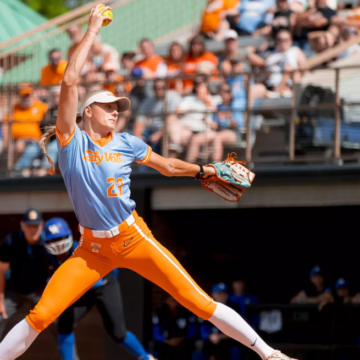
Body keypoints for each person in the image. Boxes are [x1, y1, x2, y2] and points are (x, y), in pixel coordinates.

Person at [0, 7, 295, 360]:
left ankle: (270, 354)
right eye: (107, 105)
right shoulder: (71, 140)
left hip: (132, 237)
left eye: (118, 107)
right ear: (87, 111)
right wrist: (92, 29)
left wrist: (201, 170)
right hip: (91, 249)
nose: (115, 111)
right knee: (42, 314)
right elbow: (69, 81)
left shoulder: (127, 142)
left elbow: (167, 166)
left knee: (198, 302)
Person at [43, 217, 154, 360]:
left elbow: (106, 274)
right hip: (80, 293)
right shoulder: (46, 259)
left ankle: (146, 358)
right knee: (64, 325)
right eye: (52, 241)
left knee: (118, 333)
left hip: (102, 285)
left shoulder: (82, 251)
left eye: (60, 239)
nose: (57, 245)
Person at [0, 209, 48, 338]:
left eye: (35, 226)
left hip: (40, 290)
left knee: (58, 320)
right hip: (14, 291)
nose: (32, 230)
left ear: (42, 225)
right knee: (0, 316)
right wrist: (0, 298)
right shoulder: (11, 241)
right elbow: (2, 270)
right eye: (29, 226)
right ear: (22, 225)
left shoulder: (48, 242)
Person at [168, 75, 219, 160]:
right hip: (187, 129)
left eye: (201, 84)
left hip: (204, 130)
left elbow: (217, 121)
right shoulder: (189, 99)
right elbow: (177, 111)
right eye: (196, 84)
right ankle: (168, 168)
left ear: (207, 85)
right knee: (170, 119)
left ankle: (189, 169)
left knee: (195, 139)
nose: (199, 87)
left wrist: (206, 102)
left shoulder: (214, 100)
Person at [2, 83, 48, 175]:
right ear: (19, 96)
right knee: (17, 147)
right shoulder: (14, 108)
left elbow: (48, 124)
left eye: (28, 95)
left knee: (28, 148)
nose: (27, 98)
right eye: (24, 95)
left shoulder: (41, 107)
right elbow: (6, 125)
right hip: (17, 141)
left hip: (36, 141)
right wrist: (7, 144)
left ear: (33, 94)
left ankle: (17, 171)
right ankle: (16, 170)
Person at [133, 79, 181, 153]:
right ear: (153, 88)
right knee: (130, 139)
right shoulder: (148, 101)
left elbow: (171, 118)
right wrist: (137, 135)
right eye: (156, 88)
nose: (159, 90)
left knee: (154, 147)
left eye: (162, 87)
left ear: (167, 87)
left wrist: (158, 134)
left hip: (166, 130)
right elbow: (140, 119)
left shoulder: (173, 97)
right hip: (150, 131)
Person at [198, 283, 242, 360]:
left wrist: (221, 337)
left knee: (234, 348)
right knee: (206, 346)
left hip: (229, 339)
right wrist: (210, 336)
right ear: (213, 294)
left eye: (224, 293)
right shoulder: (207, 309)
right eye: (219, 293)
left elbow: (238, 329)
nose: (222, 296)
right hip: (213, 340)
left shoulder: (234, 307)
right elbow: (204, 331)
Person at [265, 29, 306, 95]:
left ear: (290, 40)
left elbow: (305, 69)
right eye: (280, 40)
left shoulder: (295, 51)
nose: (283, 42)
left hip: (291, 84)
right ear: (277, 41)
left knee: (289, 68)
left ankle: (281, 88)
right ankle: (279, 89)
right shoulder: (271, 56)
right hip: (272, 85)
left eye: (286, 40)